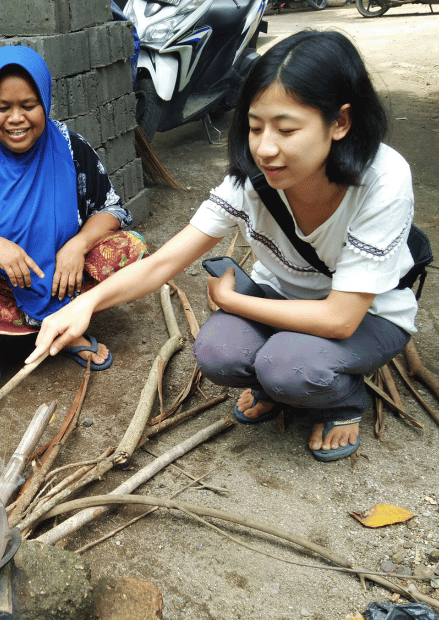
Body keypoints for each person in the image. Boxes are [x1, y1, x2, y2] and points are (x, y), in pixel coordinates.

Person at [27, 30, 418, 462]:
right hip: (280, 299)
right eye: (255, 127)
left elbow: (340, 320)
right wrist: (84, 304)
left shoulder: (383, 180)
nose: (265, 148)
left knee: (288, 368)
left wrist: (232, 301)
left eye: (287, 129)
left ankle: (341, 401)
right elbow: (163, 263)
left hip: (366, 316)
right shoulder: (250, 182)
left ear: (340, 122)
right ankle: (278, 384)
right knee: (217, 353)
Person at [0, 46, 147, 421]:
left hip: (63, 280)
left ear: (45, 103)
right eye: (2, 107)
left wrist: (78, 245)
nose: (16, 118)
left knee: (130, 248)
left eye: (29, 105)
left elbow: (111, 209)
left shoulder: (69, 147)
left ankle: (67, 329)